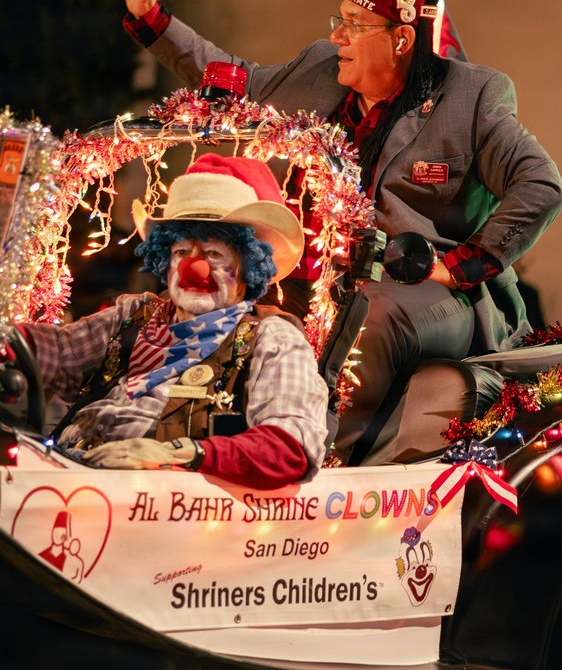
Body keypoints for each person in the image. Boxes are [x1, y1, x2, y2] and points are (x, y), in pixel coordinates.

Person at [122, 0, 562, 462]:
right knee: (238, 307)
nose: (337, 38)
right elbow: (233, 82)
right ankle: (205, 444)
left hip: (436, 297)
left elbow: (542, 187)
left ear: (402, 39)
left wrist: (456, 267)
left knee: (368, 317)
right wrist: (152, 18)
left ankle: (321, 470)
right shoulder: (319, 73)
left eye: (354, 26)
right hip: (329, 280)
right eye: (339, 22)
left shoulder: (472, 97)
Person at [19, 154, 330, 490]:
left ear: (249, 267)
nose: (192, 269)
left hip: (149, 509)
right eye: (182, 252)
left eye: (213, 254)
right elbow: (51, 351)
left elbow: (289, 448)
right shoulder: (134, 317)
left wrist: (180, 453)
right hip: (57, 476)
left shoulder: (271, 339)